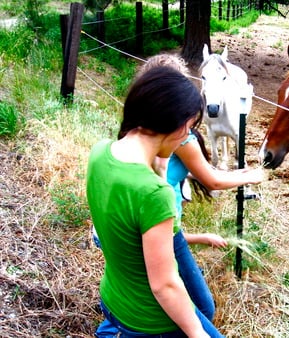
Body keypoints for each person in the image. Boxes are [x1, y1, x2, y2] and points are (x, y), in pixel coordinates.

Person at [86, 65, 224, 337]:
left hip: (113, 300)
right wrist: (198, 334)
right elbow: (165, 286)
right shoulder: (153, 193)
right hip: (150, 322)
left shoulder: (100, 152)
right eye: (189, 129)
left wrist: (160, 171)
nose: (188, 137)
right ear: (180, 125)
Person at [139, 54, 265, 321]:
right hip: (165, 223)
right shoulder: (179, 136)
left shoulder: (137, 130)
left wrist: (200, 237)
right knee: (203, 307)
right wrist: (250, 176)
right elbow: (212, 181)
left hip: (153, 225)